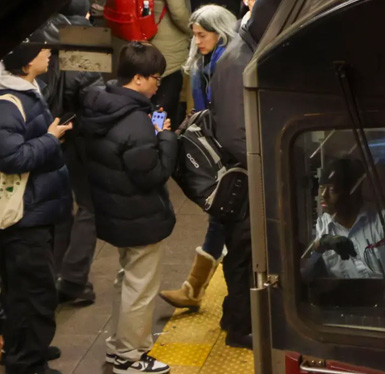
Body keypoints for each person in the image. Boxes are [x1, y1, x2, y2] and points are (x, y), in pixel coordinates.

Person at [79, 42, 177, 374]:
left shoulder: (100, 104)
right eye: (155, 78)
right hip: (140, 215)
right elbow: (152, 175)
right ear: (137, 78)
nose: (158, 84)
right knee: (140, 287)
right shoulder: (136, 123)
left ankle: (118, 347)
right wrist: (165, 137)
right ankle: (131, 356)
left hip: (113, 211)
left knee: (127, 279)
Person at [158, 4, 238, 313]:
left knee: (222, 216)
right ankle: (195, 288)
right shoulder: (208, 61)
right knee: (221, 216)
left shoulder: (226, 64)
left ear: (221, 33)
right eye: (195, 36)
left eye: (202, 35)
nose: (197, 42)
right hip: (219, 148)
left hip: (230, 151)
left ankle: (196, 289)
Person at [0, 41, 73, 374]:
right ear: (26, 61)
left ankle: (31, 349)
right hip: (24, 217)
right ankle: (27, 364)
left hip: (37, 208)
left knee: (30, 291)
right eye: (43, 50)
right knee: (31, 294)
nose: (49, 54)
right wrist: (50, 138)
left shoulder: (29, 89)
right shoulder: (8, 103)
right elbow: (11, 157)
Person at [37, 0, 104, 305]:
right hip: (78, 131)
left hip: (46, 132)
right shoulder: (82, 32)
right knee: (90, 205)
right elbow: (94, 94)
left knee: (59, 207)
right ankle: (76, 280)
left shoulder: (38, 31)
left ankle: (49, 279)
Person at [301, 159, 385, 281]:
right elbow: (303, 272)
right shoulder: (323, 225)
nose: (323, 195)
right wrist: (318, 246)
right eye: (321, 188)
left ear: (353, 191)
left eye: (332, 189)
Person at [150, 0, 192, 131]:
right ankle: (161, 141)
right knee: (165, 104)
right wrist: (194, 29)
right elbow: (178, 12)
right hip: (168, 47)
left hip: (140, 38)